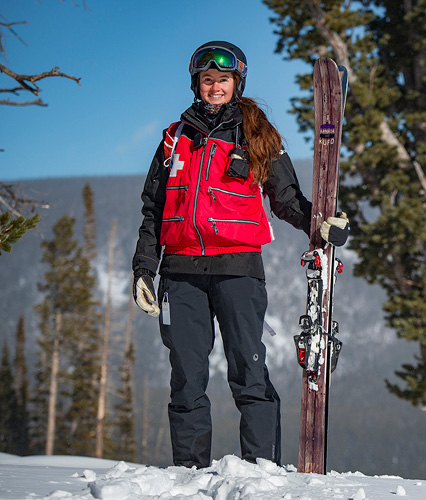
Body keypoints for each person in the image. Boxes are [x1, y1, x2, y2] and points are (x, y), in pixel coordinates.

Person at [131, 41, 349, 468]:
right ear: (197, 83)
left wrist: (318, 223)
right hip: (180, 272)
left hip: (239, 270)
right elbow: (153, 210)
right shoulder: (174, 139)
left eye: (223, 80)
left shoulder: (256, 134)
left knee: (248, 372)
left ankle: (261, 470)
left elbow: (285, 196)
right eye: (207, 79)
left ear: (237, 83)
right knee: (187, 379)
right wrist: (144, 268)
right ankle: (189, 474)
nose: (215, 87)